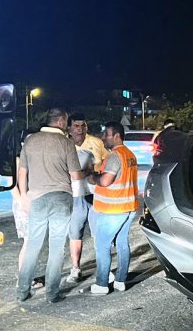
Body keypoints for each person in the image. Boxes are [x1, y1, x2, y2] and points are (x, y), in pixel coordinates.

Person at [16, 108, 83, 302]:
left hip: (36, 198)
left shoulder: (30, 141)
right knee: (56, 247)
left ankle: (22, 292)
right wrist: (87, 171)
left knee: (33, 246)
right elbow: (75, 175)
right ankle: (52, 293)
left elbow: (22, 173)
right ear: (62, 122)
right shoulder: (66, 143)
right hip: (61, 198)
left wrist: (24, 197)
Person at [86, 121, 139, 295]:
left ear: (116, 136)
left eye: (106, 134)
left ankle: (102, 284)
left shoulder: (114, 156)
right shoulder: (129, 155)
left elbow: (106, 181)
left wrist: (93, 178)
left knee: (102, 246)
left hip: (113, 210)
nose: (103, 138)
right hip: (128, 207)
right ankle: (120, 280)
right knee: (122, 244)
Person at [63, 116, 108, 284]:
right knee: (75, 233)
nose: (79, 129)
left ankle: (103, 267)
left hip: (95, 194)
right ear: (69, 129)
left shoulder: (96, 143)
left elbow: (106, 162)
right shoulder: (64, 145)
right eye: (75, 125)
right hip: (73, 196)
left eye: (83, 125)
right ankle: (75, 269)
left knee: (98, 232)